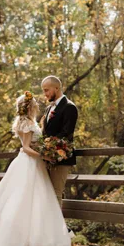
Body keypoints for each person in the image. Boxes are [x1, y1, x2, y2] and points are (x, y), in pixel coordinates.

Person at [0, 91, 71, 246]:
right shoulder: (26, 123)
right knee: (23, 199)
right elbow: (25, 147)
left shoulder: (30, 122)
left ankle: (36, 241)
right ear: (30, 107)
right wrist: (43, 156)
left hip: (33, 163)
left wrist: (45, 150)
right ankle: (14, 242)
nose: (37, 106)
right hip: (28, 163)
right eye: (35, 105)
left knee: (37, 200)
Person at [41, 76, 78, 208]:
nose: (45, 94)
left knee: (56, 193)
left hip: (61, 157)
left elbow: (66, 134)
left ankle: (56, 228)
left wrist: (49, 149)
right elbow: (45, 133)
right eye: (44, 91)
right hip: (46, 158)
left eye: (47, 90)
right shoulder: (48, 109)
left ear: (56, 88)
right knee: (45, 194)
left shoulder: (69, 107)